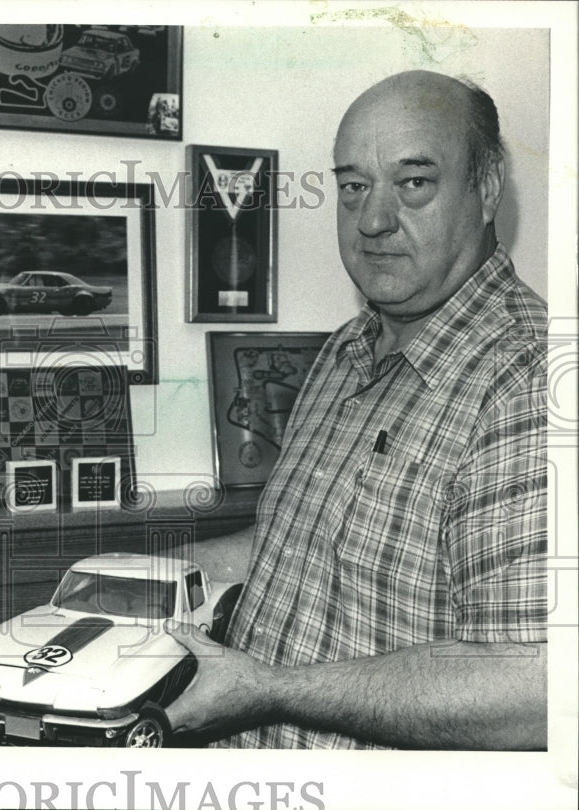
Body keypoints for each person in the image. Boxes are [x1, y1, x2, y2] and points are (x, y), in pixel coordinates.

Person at [166, 70, 547, 750]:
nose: (371, 220)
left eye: (414, 183)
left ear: (486, 192)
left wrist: (268, 690)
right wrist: (137, 578)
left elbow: (532, 687)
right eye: (353, 187)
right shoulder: (348, 348)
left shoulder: (530, 381)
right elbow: (298, 548)